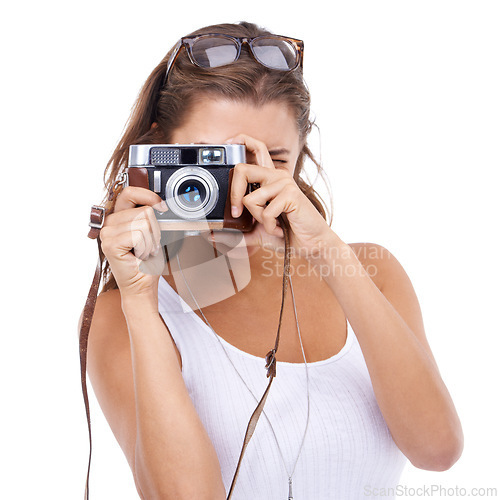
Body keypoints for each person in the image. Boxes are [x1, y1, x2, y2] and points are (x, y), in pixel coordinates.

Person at [85, 21, 464, 499]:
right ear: (161, 151)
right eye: (212, 159)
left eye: (271, 160)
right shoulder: (128, 315)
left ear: (302, 153)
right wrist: (141, 300)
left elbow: (438, 450)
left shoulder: (369, 270)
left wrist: (325, 248)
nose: (241, 186)